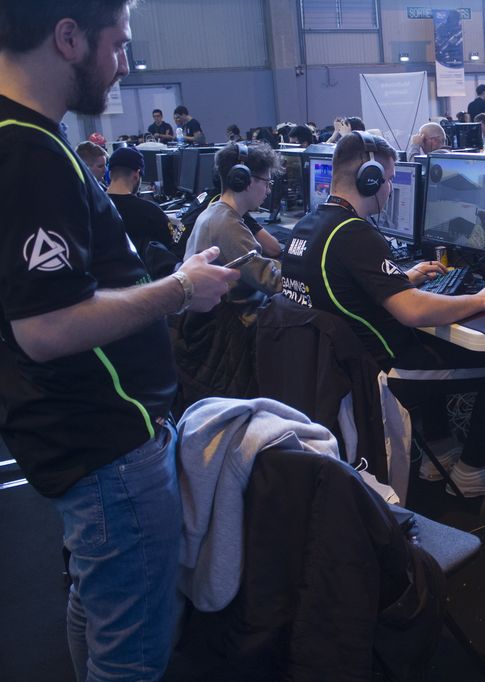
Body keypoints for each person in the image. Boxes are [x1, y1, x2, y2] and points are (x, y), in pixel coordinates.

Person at [0, 2, 237, 679]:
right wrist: (182, 288)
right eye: (119, 45)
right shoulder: (29, 152)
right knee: (132, 652)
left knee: (97, 603)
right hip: (106, 444)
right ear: (68, 38)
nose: (126, 65)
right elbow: (47, 327)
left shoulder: (29, 140)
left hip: (75, 434)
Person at [280, 132, 485, 496]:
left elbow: (343, 285)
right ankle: (471, 471)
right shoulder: (353, 233)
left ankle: (439, 452)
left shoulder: (310, 225)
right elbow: (412, 311)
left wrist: (400, 279)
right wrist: (482, 299)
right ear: (369, 180)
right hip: (378, 372)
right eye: (389, 179)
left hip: (334, 370)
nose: (390, 188)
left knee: (432, 345)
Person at [184, 142, 282, 301]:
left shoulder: (212, 211)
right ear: (245, 180)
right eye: (267, 183)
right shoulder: (228, 225)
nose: (268, 191)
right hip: (235, 314)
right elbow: (274, 283)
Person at [106, 146, 178, 258]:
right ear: (136, 175)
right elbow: (173, 244)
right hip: (143, 269)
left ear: (110, 174)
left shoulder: (95, 206)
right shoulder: (152, 212)